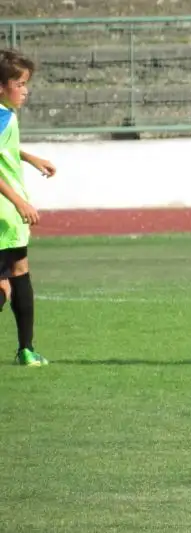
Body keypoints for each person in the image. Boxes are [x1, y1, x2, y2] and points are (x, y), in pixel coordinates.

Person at [0, 49, 58, 367]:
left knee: (11, 277)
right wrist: (19, 201)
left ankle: (26, 350)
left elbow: (4, 150)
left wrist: (30, 157)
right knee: (16, 277)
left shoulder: (4, 116)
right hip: (6, 214)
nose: (25, 90)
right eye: (19, 83)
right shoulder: (4, 116)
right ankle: (26, 349)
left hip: (7, 213)